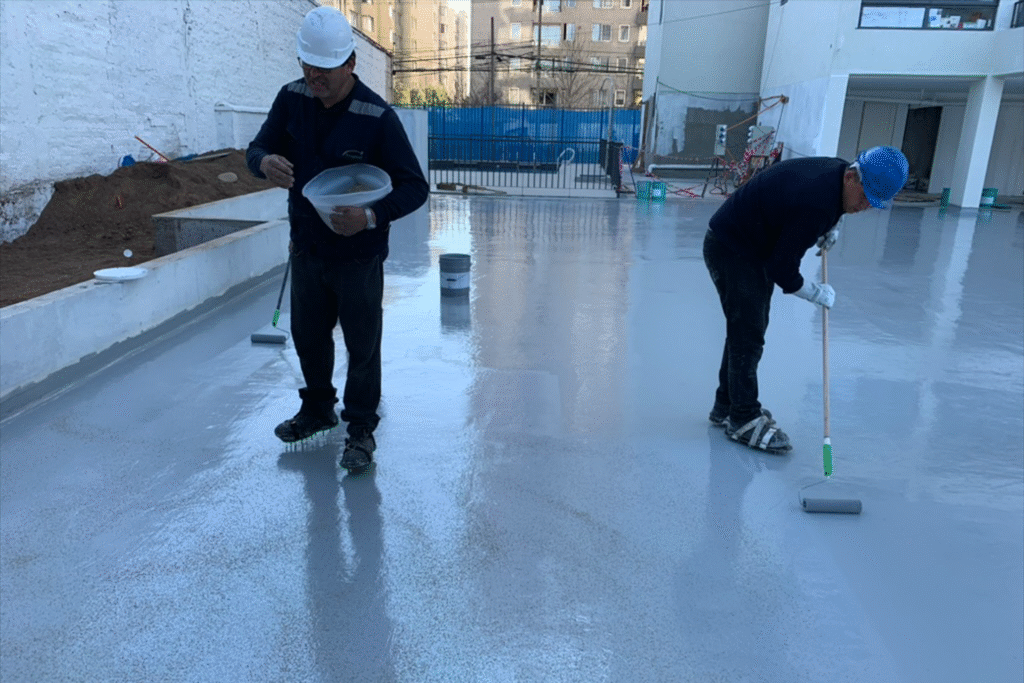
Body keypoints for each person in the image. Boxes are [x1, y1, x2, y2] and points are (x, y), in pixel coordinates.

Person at [247, 6, 429, 469]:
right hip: (307, 246)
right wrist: (264, 162)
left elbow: (414, 187)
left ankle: (361, 429)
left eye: (324, 69)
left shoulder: (375, 116)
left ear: (350, 64)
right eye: (307, 65)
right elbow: (258, 147)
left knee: (362, 344)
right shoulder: (291, 99)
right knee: (308, 335)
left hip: (358, 254)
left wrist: (369, 217)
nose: (314, 77)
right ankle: (317, 410)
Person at [703, 146, 909, 453]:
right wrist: (814, 293)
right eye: (865, 197)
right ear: (852, 176)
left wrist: (831, 227)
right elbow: (782, 270)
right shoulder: (818, 202)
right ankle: (742, 419)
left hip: (753, 243)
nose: (865, 206)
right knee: (748, 333)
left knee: (746, 328)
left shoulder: (839, 175)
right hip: (734, 248)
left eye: (873, 203)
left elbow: (823, 208)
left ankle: (727, 405)